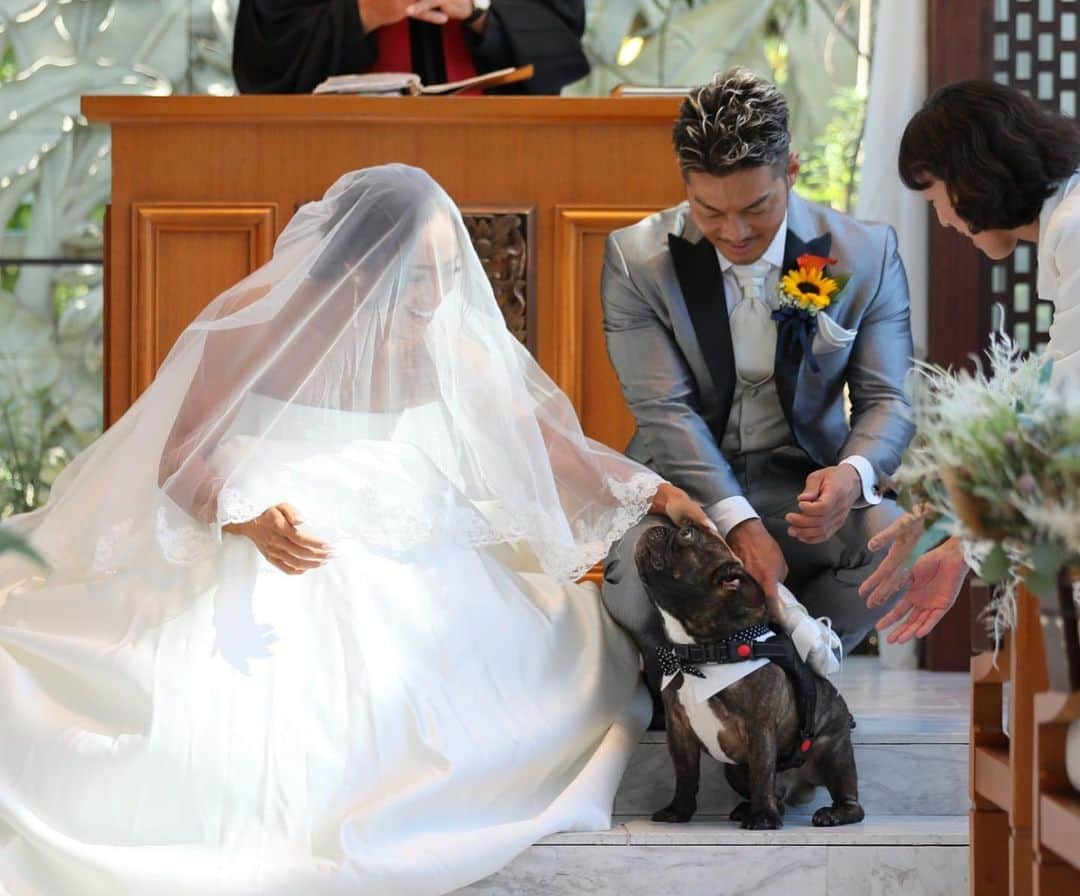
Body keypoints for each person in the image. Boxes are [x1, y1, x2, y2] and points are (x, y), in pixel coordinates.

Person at [0, 164, 713, 895]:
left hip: (399, 515)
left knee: (530, 659)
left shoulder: (443, 338)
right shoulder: (258, 318)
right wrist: (239, 513)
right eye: (417, 276)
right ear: (352, 268)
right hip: (269, 527)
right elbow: (179, 452)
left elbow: (548, 443)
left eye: (444, 271)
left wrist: (656, 492)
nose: (438, 294)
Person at [599, 68, 916, 705]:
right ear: (685, 186)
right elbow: (665, 411)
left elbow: (889, 399)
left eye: (757, 208)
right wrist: (736, 525)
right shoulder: (636, 260)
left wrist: (852, 474)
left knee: (898, 548)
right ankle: (688, 687)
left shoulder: (866, 254)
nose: (736, 232)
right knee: (627, 583)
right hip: (682, 497)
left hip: (805, 494)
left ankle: (795, 678)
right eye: (710, 210)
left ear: (791, 170)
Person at [862, 80, 1080, 644]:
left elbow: (1064, 416)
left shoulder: (1074, 229)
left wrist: (961, 536)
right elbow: (1052, 383)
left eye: (934, 198)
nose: (943, 222)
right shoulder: (1065, 227)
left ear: (971, 176)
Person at [232, 0, 588, 95]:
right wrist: (366, 12)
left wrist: (478, 11)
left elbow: (562, 46)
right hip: (339, 164)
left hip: (496, 163)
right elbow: (261, 60)